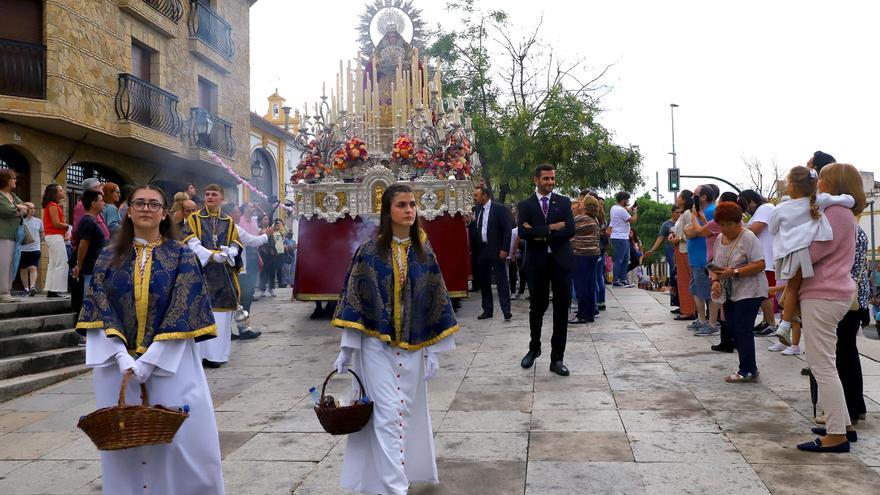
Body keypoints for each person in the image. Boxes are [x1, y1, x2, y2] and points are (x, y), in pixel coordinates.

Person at [75, 184, 224, 493]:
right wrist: (122, 357)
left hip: (173, 361)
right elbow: (99, 306)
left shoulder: (181, 254)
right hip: (117, 365)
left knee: (183, 439)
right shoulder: (107, 257)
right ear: (129, 211)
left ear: (164, 212)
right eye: (139, 203)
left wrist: (152, 359)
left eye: (153, 204)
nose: (145, 208)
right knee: (122, 439)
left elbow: (183, 308)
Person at [331, 184, 458, 495]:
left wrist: (433, 352)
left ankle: (385, 481)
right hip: (376, 347)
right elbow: (355, 301)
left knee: (403, 414)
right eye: (402, 205)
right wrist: (347, 349)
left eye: (413, 204)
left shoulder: (424, 251)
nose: (410, 210)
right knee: (387, 414)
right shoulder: (369, 252)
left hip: (413, 347)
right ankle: (395, 489)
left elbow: (435, 300)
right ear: (388, 212)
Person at [794, 162, 864, 453]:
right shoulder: (843, 213)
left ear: (834, 182)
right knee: (827, 362)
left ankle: (836, 435)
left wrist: (794, 247)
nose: (818, 182)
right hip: (832, 293)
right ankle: (843, 423)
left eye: (823, 178)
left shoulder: (835, 212)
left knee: (821, 364)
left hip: (823, 292)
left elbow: (817, 250)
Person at [770, 166, 854, 347]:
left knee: (791, 288)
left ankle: (786, 323)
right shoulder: (819, 201)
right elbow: (849, 200)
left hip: (790, 253)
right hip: (807, 251)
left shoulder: (781, 208)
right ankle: (787, 324)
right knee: (796, 287)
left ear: (791, 186)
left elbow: (772, 229)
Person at [517, 164, 575, 376]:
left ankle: (557, 359)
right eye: (546, 179)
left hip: (561, 263)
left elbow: (569, 229)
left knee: (561, 311)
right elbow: (523, 232)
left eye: (552, 179)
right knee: (537, 308)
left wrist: (539, 233)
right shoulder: (525, 205)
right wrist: (552, 228)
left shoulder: (563, 202)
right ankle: (534, 349)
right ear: (536, 180)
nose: (550, 182)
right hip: (536, 264)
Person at [182, 184, 243, 368]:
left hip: (223, 275)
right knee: (202, 310)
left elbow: (236, 242)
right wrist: (210, 255)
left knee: (221, 317)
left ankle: (217, 356)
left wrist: (230, 252)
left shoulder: (228, 221)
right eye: (207, 194)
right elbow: (189, 241)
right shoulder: (194, 219)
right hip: (202, 272)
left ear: (221, 198)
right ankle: (200, 356)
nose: (209, 197)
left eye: (214, 194)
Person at [708, 202, 767, 383]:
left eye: (729, 224)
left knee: (742, 328)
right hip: (731, 291)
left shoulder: (748, 237)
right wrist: (716, 281)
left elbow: (760, 264)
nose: (725, 229)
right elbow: (716, 265)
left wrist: (734, 272)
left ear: (738, 222)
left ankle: (748, 369)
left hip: (751, 290)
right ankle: (747, 366)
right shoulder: (719, 239)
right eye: (722, 224)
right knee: (732, 327)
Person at [223, 203, 270, 340]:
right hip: (237, 270)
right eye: (238, 212)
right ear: (231, 214)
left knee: (230, 300)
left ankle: (228, 331)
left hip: (225, 270)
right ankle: (243, 328)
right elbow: (252, 241)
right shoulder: (235, 228)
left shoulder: (221, 227)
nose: (240, 215)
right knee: (246, 297)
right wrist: (267, 235)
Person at [737, 190, 778, 336]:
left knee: (765, 294)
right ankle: (766, 322)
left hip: (767, 259)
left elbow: (753, 231)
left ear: (752, 201)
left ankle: (772, 324)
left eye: (746, 205)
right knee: (762, 293)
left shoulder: (765, 208)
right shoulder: (762, 210)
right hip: (763, 258)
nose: (746, 209)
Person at [470, 185, 513, 320]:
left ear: (485, 195)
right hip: (482, 250)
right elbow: (477, 229)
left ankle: (506, 310)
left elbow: (507, 230)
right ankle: (487, 310)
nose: (474, 198)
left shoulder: (499, 209)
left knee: (501, 281)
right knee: (484, 281)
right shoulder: (477, 210)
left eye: (476, 195)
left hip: (497, 249)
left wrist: (505, 249)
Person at [683, 185, 714, 334]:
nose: (692, 198)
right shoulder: (701, 212)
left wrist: (691, 227)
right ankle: (702, 320)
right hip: (696, 259)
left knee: (706, 292)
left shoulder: (709, 211)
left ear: (703, 197)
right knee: (697, 290)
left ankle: (710, 322)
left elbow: (696, 231)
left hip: (704, 259)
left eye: (695, 195)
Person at [72, 190, 109, 313]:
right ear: (93, 204)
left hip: (96, 267)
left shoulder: (92, 220)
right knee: (89, 301)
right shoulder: (88, 221)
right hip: (90, 268)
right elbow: (83, 245)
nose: (104, 203)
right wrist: (79, 265)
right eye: (101, 201)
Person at [570, 195, 601, 323]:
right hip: (592, 254)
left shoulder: (581, 218)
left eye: (582, 202)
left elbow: (567, 229)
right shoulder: (594, 219)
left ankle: (582, 314)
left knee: (580, 285)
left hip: (581, 254)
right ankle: (589, 313)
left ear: (585, 206)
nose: (579, 202)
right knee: (589, 284)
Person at [0, 169, 28, 302]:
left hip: (14, 236)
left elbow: (26, 207)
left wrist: (20, 208)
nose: (15, 180)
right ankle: (3, 293)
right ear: (5, 180)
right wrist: (19, 209)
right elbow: (7, 210)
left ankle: (7, 290)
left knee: (12, 264)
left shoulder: (12, 195)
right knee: (3, 264)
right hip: (3, 235)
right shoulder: (0, 196)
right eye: (12, 178)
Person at [645, 205, 680, 308]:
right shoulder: (666, 224)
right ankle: (677, 302)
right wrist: (652, 250)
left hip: (683, 251)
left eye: (680, 212)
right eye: (677, 212)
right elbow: (660, 238)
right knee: (675, 274)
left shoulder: (683, 222)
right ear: (672, 213)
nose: (679, 214)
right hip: (671, 251)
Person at [671, 191, 696, 321]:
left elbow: (690, 233)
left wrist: (678, 238)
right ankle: (687, 308)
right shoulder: (684, 213)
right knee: (682, 280)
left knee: (685, 280)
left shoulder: (687, 213)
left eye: (680, 196)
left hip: (684, 249)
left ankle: (688, 310)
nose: (677, 198)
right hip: (680, 249)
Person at [42, 184, 70, 298]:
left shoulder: (51, 205)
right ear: (55, 193)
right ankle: (57, 290)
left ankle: (51, 290)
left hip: (52, 236)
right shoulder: (53, 205)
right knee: (61, 263)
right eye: (61, 190)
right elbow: (56, 223)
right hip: (54, 236)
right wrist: (67, 226)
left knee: (53, 264)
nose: (63, 191)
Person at [609, 191, 638, 287]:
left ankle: (623, 279)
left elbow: (626, 209)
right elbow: (633, 220)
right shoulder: (621, 210)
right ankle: (616, 280)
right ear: (623, 200)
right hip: (620, 237)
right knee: (619, 259)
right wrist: (635, 212)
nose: (628, 201)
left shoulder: (614, 208)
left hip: (622, 237)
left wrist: (630, 209)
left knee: (626, 259)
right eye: (627, 200)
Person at [73, 177, 109, 242]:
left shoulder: (95, 203)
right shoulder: (82, 205)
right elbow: (78, 229)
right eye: (100, 185)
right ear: (93, 189)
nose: (102, 187)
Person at [19, 202, 43, 296]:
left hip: (35, 249)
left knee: (33, 267)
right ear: (26, 209)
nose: (33, 210)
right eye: (31, 208)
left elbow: (42, 233)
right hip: (22, 249)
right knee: (23, 269)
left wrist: (39, 242)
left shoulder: (38, 221)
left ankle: (32, 287)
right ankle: (26, 288)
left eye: (34, 208)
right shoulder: (21, 221)